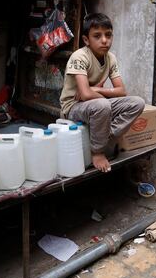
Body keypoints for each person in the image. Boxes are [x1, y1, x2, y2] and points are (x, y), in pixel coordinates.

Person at [60, 13, 145, 173]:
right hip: (73, 107)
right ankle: (97, 152)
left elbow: (122, 91)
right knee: (103, 105)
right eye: (97, 36)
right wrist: (98, 94)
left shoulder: (110, 58)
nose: (104, 40)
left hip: (97, 104)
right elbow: (84, 95)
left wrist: (97, 89)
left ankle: (105, 136)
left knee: (137, 103)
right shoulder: (79, 56)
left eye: (108, 35)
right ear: (86, 40)